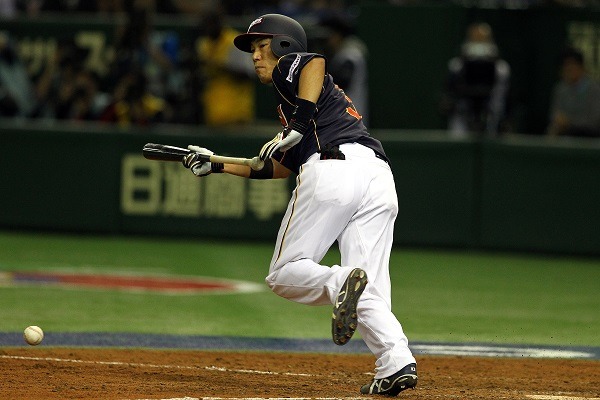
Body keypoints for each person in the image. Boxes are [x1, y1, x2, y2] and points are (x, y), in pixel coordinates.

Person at [180, 14, 417, 396]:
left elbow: (314, 60)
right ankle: (396, 361)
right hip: (378, 178)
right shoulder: (298, 104)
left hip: (333, 171)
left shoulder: (294, 70)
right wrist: (217, 162)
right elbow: (273, 167)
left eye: (261, 46)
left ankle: (339, 280)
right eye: (253, 49)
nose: (255, 56)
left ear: (283, 46)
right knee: (370, 286)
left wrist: (299, 125)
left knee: (284, 273)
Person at [442, 22, 510, 137]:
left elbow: (504, 98)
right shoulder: (456, 66)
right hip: (462, 115)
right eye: (475, 38)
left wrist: (504, 118)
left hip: (491, 116)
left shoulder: (501, 69)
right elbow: (449, 94)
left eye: (482, 38)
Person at [319, 15, 370, 126]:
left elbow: (340, 84)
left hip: (349, 119)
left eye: (329, 36)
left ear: (338, 35)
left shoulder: (351, 55)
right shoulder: (339, 54)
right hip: (341, 118)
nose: (326, 41)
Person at [546, 46, 600, 138]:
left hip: (589, 139)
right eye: (565, 66)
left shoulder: (594, 89)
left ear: (581, 67)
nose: (568, 69)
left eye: (571, 65)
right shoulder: (560, 89)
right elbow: (554, 115)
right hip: (564, 138)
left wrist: (569, 123)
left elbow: (594, 121)